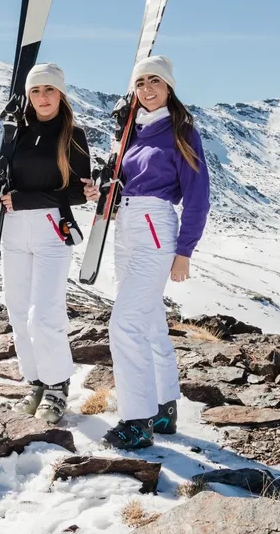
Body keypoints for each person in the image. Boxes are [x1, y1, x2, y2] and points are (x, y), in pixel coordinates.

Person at [83, 55, 210, 450]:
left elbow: (198, 196)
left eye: (155, 81)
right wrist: (99, 193)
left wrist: (184, 250)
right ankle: (163, 407)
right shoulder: (130, 133)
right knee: (150, 319)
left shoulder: (181, 132)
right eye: (141, 83)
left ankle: (136, 421)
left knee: (125, 325)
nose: (148, 89)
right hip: (126, 227)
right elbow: (121, 185)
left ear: (169, 86)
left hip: (156, 226)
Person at [0, 62, 91, 424]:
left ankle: (58, 387)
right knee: (17, 311)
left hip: (51, 232)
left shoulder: (73, 135)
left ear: (61, 94)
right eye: (36, 91)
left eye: (50, 90)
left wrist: (26, 200)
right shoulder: (15, 134)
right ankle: (36, 383)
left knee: (43, 315)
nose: (43, 97)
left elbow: (79, 192)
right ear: (28, 96)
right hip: (12, 231)